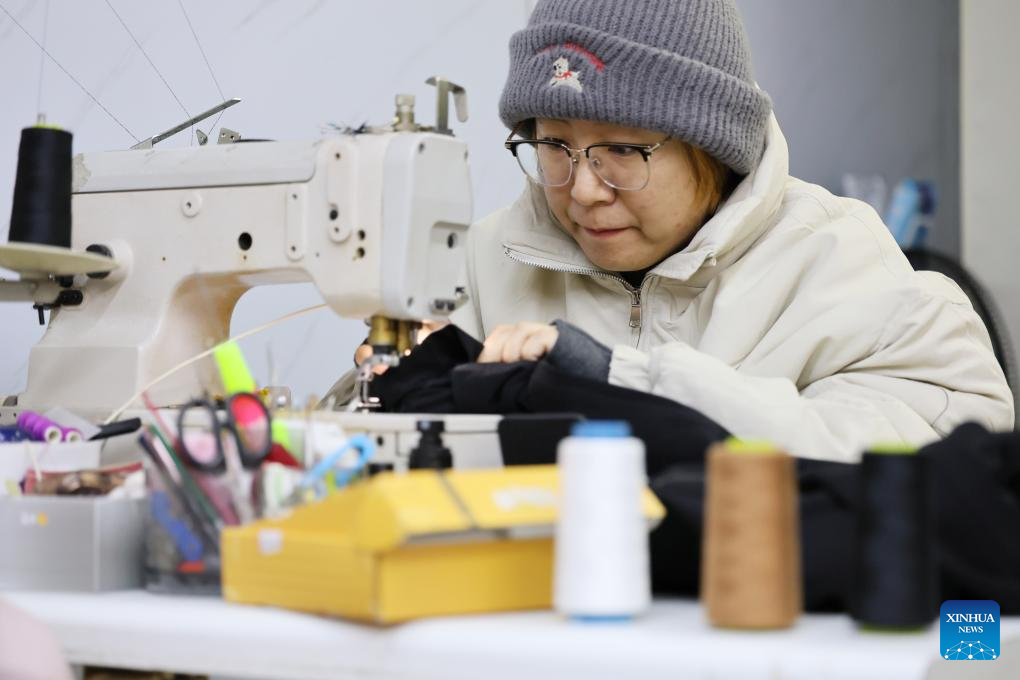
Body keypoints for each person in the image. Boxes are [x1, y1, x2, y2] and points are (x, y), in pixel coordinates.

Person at [441, 0, 1014, 461]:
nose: (585, 189)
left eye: (623, 149)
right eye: (553, 144)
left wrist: (623, 383)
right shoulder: (491, 260)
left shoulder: (841, 265)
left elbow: (944, 466)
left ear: (713, 147)